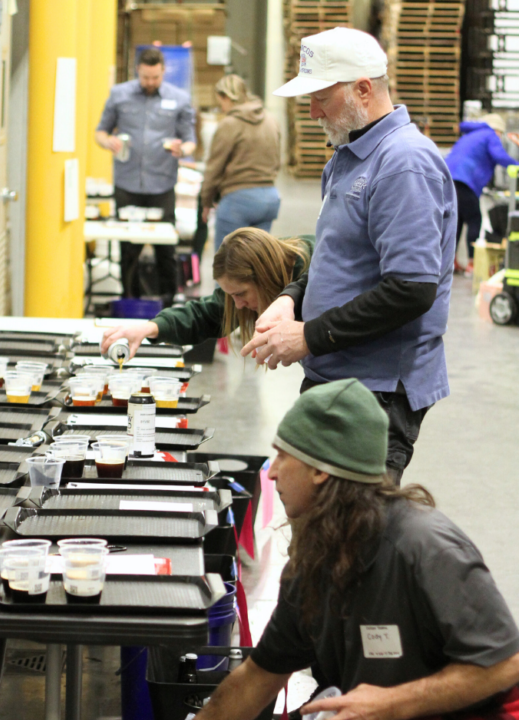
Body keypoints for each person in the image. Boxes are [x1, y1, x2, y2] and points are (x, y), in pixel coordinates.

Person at [139, 379, 519, 720]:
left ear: (320, 471)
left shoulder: (425, 548)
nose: (271, 475)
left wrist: (389, 705)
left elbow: (504, 662)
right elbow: (258, 677)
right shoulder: (317, 560)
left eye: (282, 457)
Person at [240, 27, 455, 484]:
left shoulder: (403, 163)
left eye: (322, 97)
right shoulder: (347, 157)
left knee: (350, 532)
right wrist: (292, 298)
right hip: (338, 375)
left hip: (374, 392)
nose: (312, 111)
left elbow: (411, 290)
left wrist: (309, 336)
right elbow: (337, 251)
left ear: (363, 88)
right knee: (318, 525)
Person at [100, 229, 313, 357]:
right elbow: (206, 314)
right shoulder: (276, 267)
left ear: (264, 276)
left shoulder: (316, 274)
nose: (237, 305)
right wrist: (149, 328)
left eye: (240, 294)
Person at [95, 47, 196, 305]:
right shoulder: (119, 95)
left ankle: (168, 302)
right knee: (129, 250)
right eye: (145, 77)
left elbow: (191, 142)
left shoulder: (180, 99)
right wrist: (109, 142)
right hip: (127, 184)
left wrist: (181, 149)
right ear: (137, 71)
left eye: (155, 78)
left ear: (163, 71)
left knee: (165, 249)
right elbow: (100, 132)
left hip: (161, 185)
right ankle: (129, 301)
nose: (150, 83)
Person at [201, 75, 281, 251]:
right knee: (257, 265)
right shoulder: (271, 120)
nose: (221, 107)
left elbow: (214, 168)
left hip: (238, 201)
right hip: (269, 199)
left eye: (220, 101)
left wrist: (206, 202)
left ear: (227, 97)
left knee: (228, 268)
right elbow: (277, 161)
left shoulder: (229, 124)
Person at [445, 113, 519, 272]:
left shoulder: (471, 135)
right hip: (464, 180)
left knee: (455, 222)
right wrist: (516, 165)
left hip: (447, 179)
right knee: (474, 219)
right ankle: (472, 262)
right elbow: (499, 156)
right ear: (498, 130)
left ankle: (451, 262)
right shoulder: (490, 135)